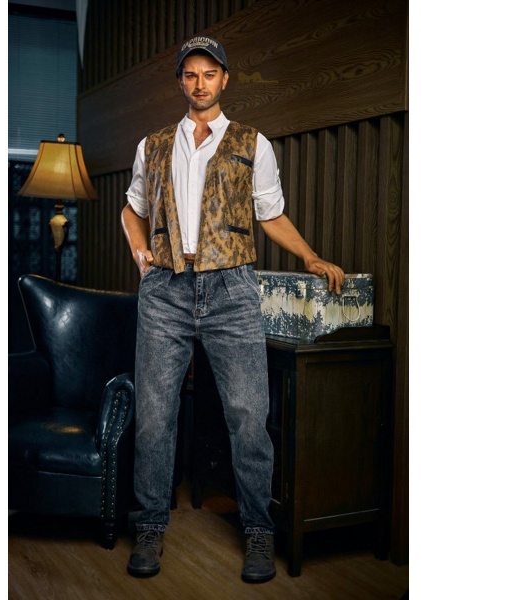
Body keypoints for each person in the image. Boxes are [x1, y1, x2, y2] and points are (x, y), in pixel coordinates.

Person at [121, 35, 345, 583]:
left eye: (209, 74)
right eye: (190, 74)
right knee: (155, 416)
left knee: (248, 416)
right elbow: (133, 208)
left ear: (225, 79)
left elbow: (270, 214)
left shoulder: (253, 143)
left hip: (232, 291)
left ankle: (259, 532)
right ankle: (148, 526)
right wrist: (141, 252)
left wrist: (310, 256)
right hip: (166, 291)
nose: (199, 83)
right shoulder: (152, 145)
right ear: (180, 82)